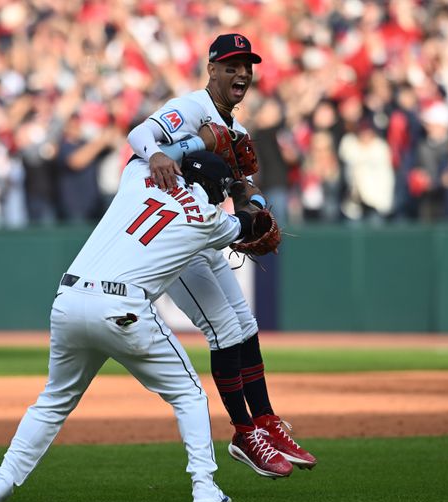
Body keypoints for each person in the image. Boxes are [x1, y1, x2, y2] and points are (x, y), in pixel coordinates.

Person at [0, 151, 262, 502]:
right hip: (123, 308)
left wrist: (164, 152)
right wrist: (251, 196)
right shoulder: (206, 215)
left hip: (69, 298)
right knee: (189, 394)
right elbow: (248, 226)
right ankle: (204, 487)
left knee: (53, 400)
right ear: (216, 191)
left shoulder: (140, 178)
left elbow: (141, 147)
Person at [125, 34, 317, 477]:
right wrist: (155, 153)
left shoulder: (238, 130)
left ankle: (266, 421)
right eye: (231, 65)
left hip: (203, 229)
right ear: (211, 69)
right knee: (224, 328)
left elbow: (242, 188)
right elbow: (139, 132)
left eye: (246, 65)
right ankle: (244, 432)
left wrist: (259, 207)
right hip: (172, 234)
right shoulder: (193, 107)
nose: (241, 73)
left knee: (245, 324)